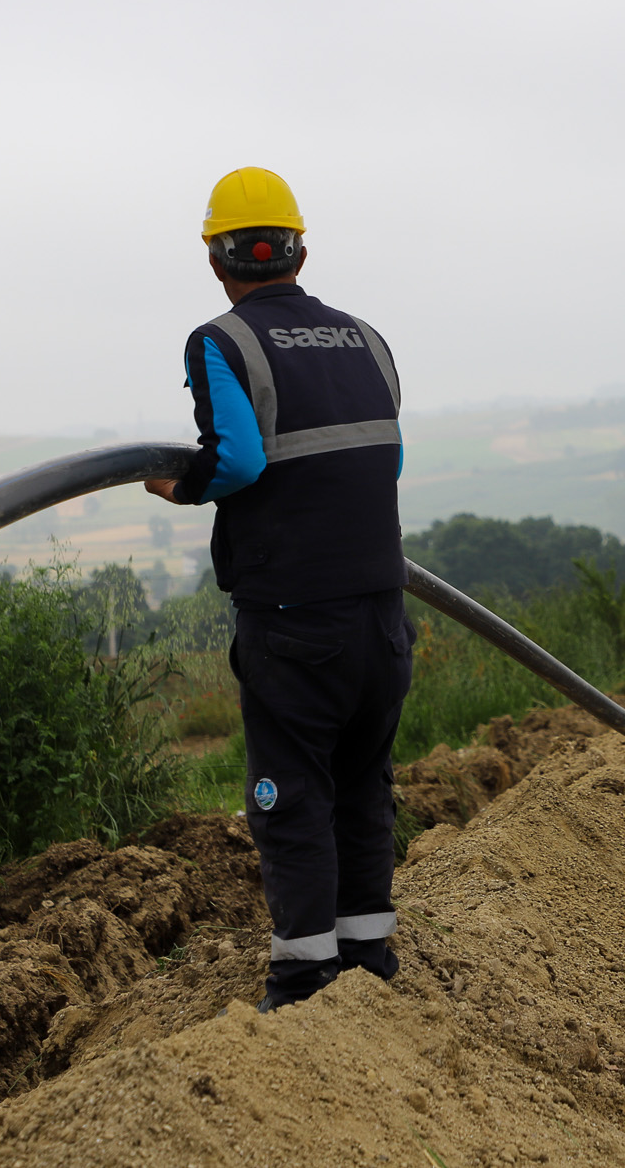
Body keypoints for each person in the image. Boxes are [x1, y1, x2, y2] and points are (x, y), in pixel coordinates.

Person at [145, 166, 411, 1012]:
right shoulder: (367, 339)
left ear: (217, 258)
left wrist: (179, 486)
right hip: (382, 613)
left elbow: (239, 460)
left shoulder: (221, 341)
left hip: (296, 621)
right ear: (298, 250)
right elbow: (388, 460)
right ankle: (368, 965)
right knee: (363, 786)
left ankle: (302, 983)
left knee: (291, 796)